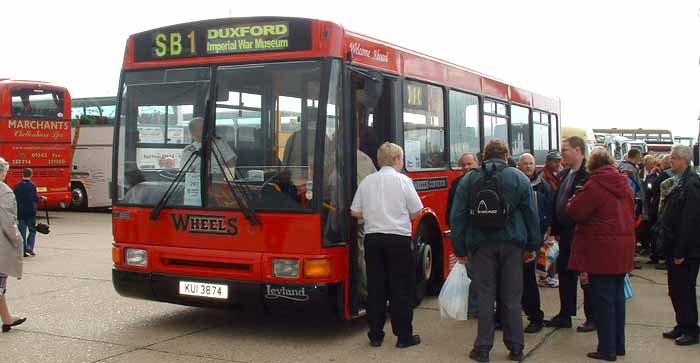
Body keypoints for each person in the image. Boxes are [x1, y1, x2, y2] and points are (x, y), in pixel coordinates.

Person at [450, 139, 539, 362]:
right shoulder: (518, 177)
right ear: (506, 155)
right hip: (512, 246)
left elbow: (458, 216)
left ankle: (482, 348)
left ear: (484, 156)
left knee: (485, 296)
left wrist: (459, 248)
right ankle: (516, 347)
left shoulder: (470, 179)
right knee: (511, 297)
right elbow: (531, 215)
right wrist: (532, 246)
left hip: (481, 246)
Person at [566, 147, 636, 361]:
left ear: (592, 165)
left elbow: (574, 211)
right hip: (622, 248)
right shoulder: (625, 184)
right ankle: (618, 344)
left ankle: (607, 349)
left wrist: (572, 199)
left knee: (603, 301)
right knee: (617, 299)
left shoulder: (594, 185)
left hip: (601, 249)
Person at [350, 142, 423, 349]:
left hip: (373, 239)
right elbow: (417, 210)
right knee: (401, 289)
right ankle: (403, 337)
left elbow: (355, 212)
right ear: (397, 159)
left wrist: (374, 213)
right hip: (398, 239)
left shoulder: (367, 182)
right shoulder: (404, 181)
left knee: (376, 288)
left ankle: (375, 335)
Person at [545, 136, 595, 333]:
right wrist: (555, 230)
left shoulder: (588, 175)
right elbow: (559, 200)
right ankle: (565, 314)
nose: (562, 153)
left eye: (565, 150)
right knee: (565, 275)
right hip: (565, 235)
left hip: (581, 234)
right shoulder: (566, 174)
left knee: (586, 277)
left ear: (578, 150)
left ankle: (593, 317)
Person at [659, 145, 700, 346]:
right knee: (675, 289)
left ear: (684, 160)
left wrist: (681, 251)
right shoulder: (679, 182)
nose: (670, 161)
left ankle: (691, 329)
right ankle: (681, 324)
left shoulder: (691, 184)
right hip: (674, 245)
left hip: (686, 250)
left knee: (685, 289)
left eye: (674, 158)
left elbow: (690, 221)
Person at [517, 153, 553, 334]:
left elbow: (548, 211)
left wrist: (545, 232)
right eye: (525, 163)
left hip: (532, 239)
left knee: (528, 279)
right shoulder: (515, 182)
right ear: (519, 165)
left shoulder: (542, 185)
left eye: (531, 163)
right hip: (517, 238)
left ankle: (535, 318)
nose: (529, 166)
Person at [446, 152, 480, 319]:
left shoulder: (460, 184)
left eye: (469, 164)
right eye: (463, 165)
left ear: (477, 163)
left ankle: (475, 306)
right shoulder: (457, 184)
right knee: (472, 272)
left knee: (474, 272)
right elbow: (450, 215)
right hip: (471, 234)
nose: (466, 167)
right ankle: (474, 306)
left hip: (474, 234)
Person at [0, 157, 27, 333]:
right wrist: (18, 240)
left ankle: (7, 318)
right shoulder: (4, 192)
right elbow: (8, 222)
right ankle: (7, 319)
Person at [14, 168, 46, 257]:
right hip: (30, 212)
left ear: (22, 174)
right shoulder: (32, 185)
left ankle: (23, 250)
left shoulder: (18, 186)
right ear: (31, 175)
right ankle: (30, 247)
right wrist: (41, 198)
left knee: (22, 232)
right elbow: (34, 198)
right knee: (32, 230)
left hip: (20, 212)